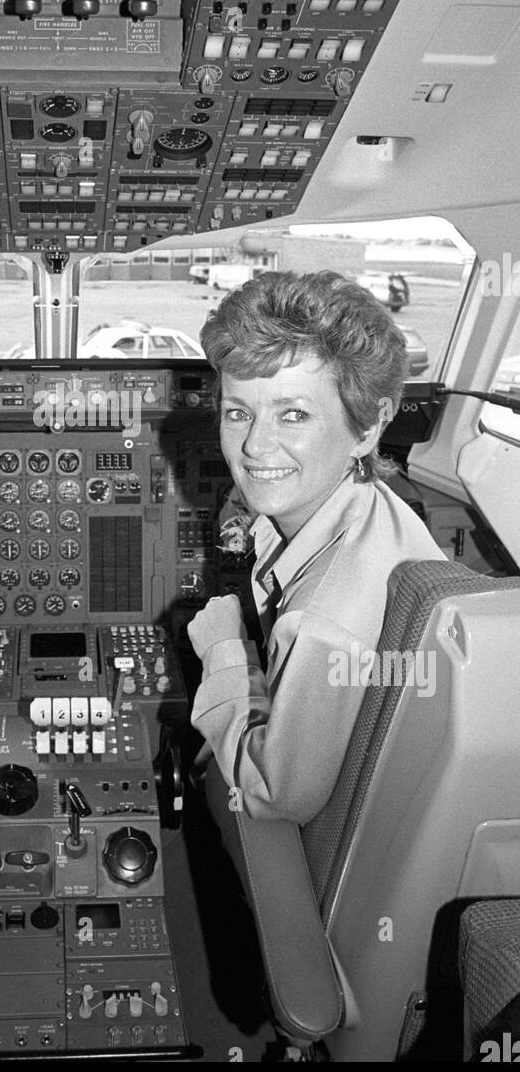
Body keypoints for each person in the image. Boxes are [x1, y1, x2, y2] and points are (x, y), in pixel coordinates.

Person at [189, 270, 446, 826]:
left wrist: (223, 651)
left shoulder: (321, 624)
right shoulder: (378, 505)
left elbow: (275, 796)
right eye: (239, 412)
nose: (255, 446)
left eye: (294, 414)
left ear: (367, 429)